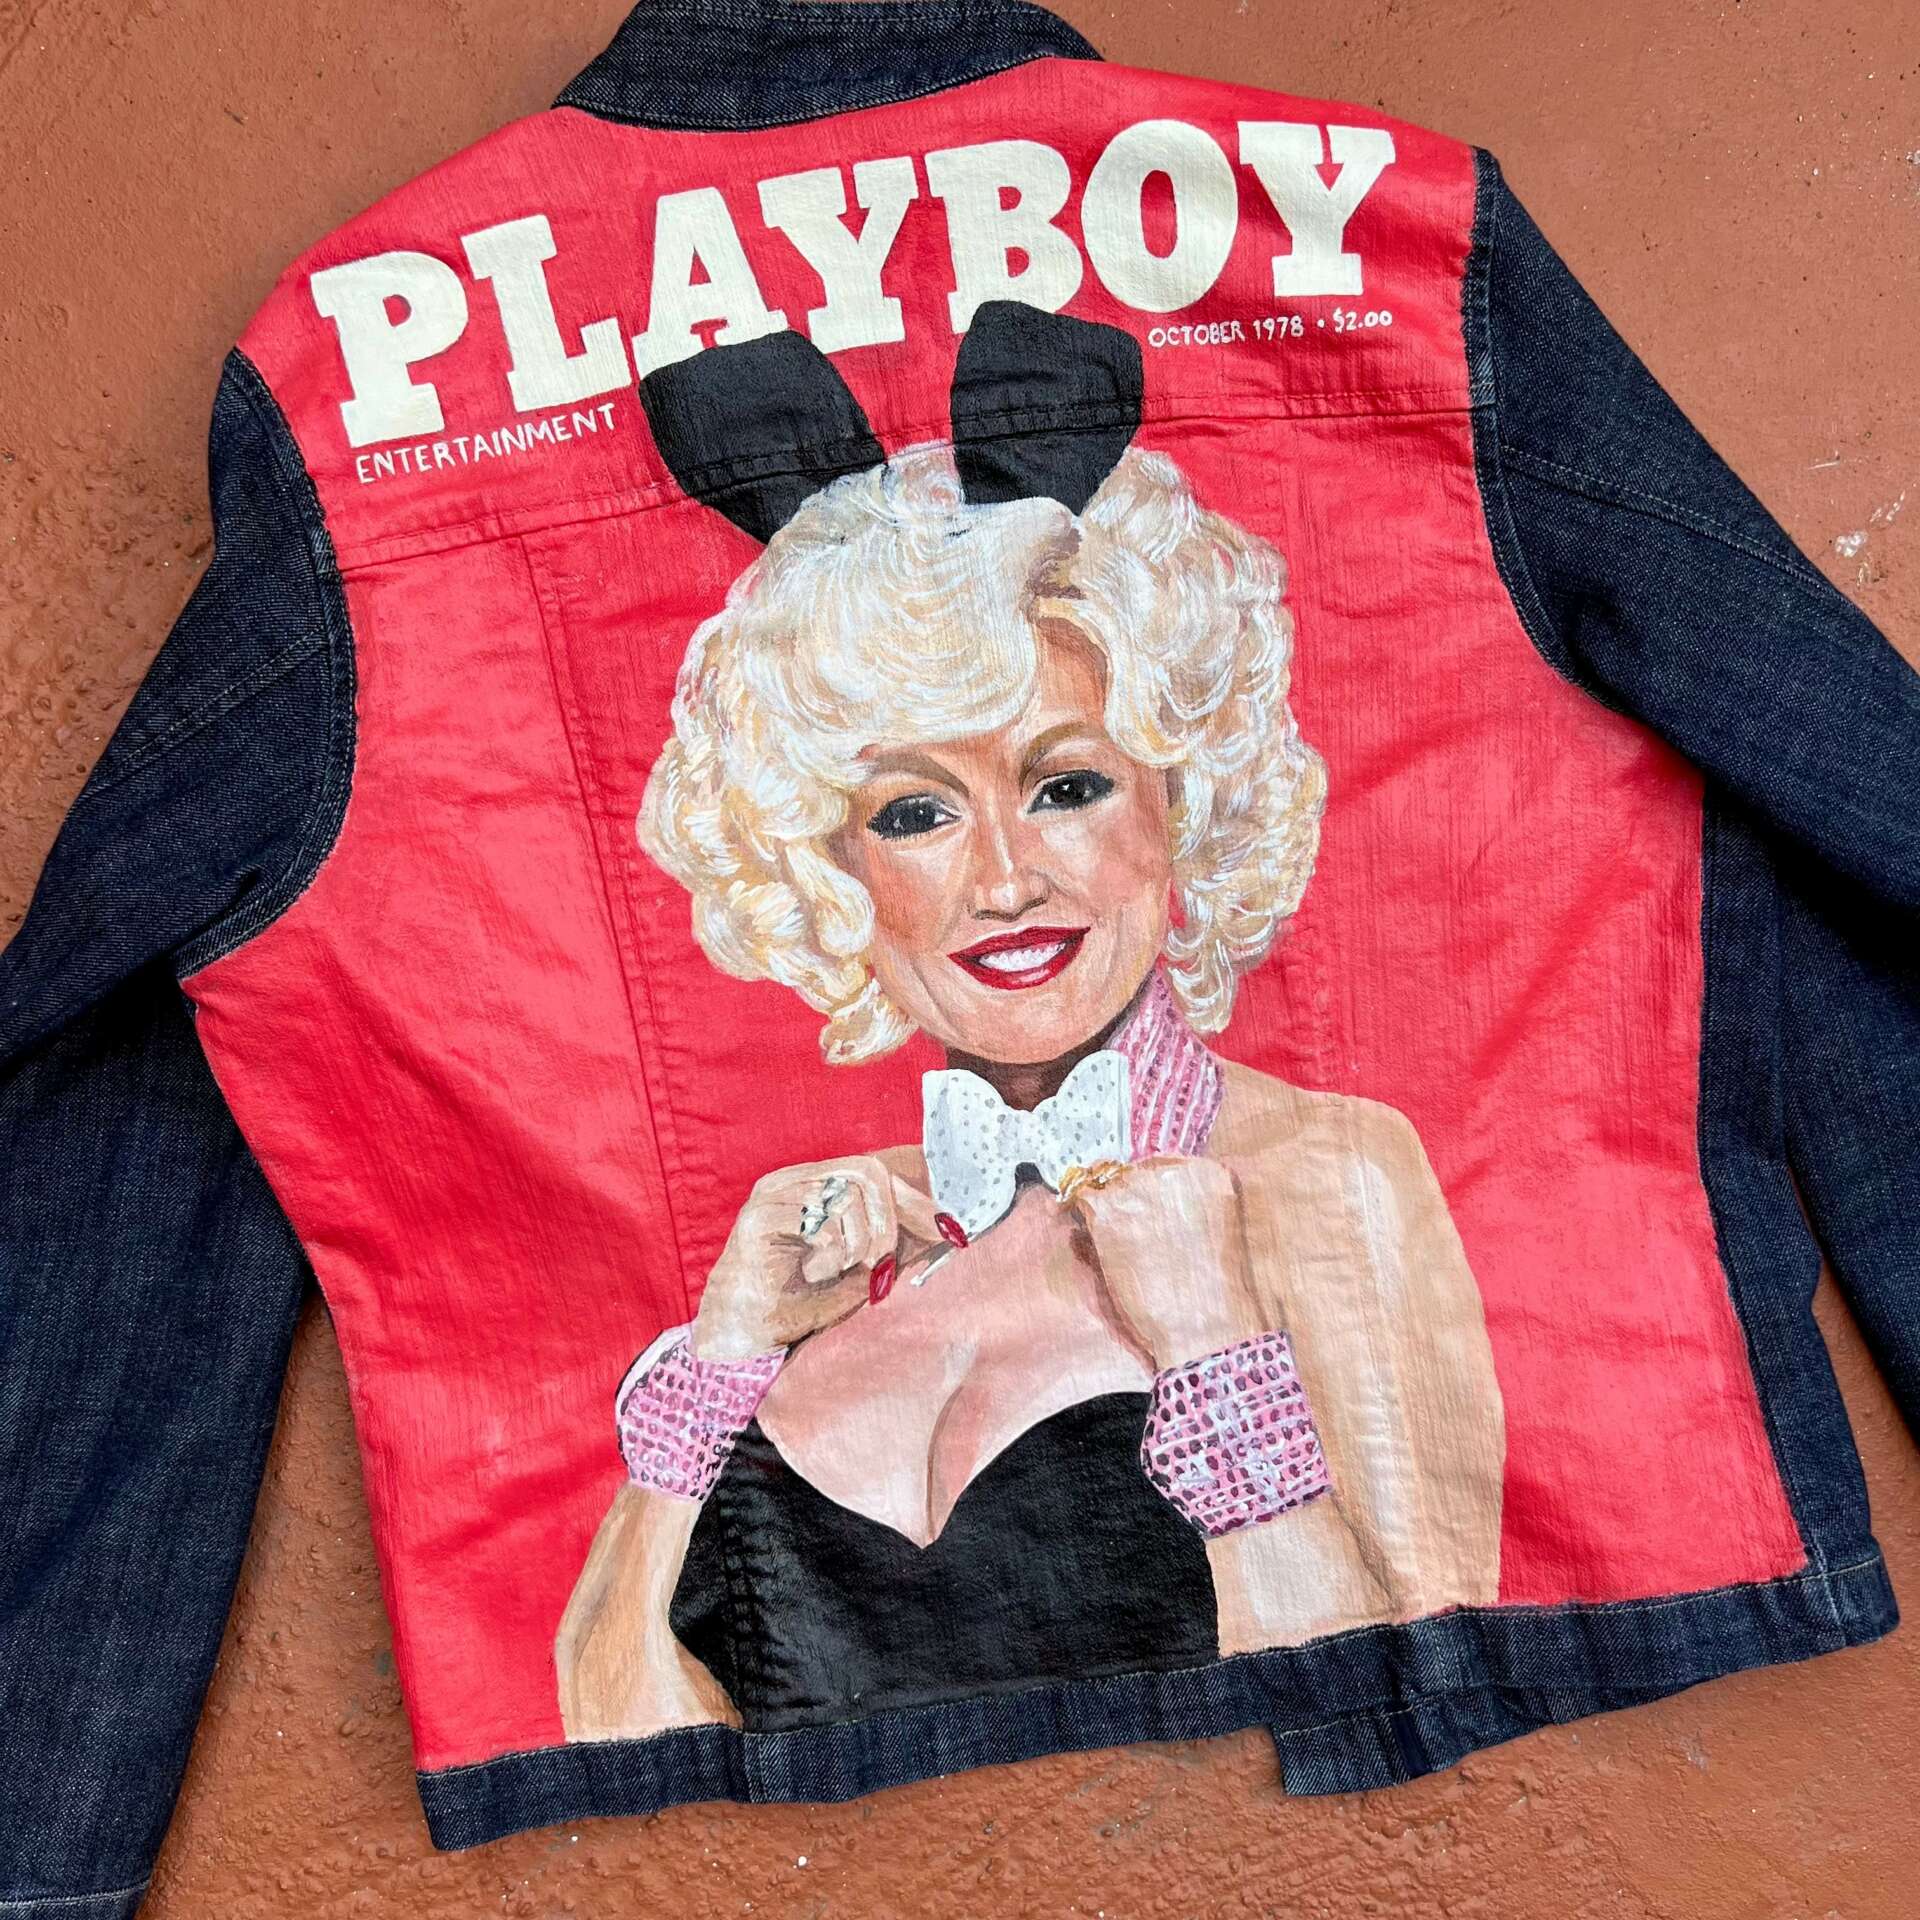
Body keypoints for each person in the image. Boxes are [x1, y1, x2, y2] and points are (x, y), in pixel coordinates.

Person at [554, 337, 1506, 1743]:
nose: (1003, 881)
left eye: (1065, 786)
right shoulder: (832, 1252)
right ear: (827, 868)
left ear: (1182, 798)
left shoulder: (1327, 1174)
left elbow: (1413, 1729)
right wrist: (725, 1356)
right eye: (914, 814)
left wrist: (1215, 1345)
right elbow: (616, 1745)